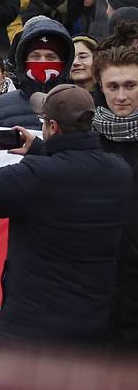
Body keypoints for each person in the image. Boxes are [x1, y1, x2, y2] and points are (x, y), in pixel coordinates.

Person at [0, 84, 131, 346]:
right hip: (94, 324)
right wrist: (42, 148)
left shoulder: (38, 175)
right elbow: (75, 173)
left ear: (53, 128)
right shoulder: (119, 170)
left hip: (34, 329)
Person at [92, 43, 138, 348]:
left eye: (130, 85)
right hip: (99, 282)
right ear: (101, 87)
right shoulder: (84, 139)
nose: (121, 95)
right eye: (113, 86)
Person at [0, 17, 73, 129]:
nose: (42, 62)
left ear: (64, 63)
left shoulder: (78, 105)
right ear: (23, 61)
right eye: (35, 56)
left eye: (50, 57)